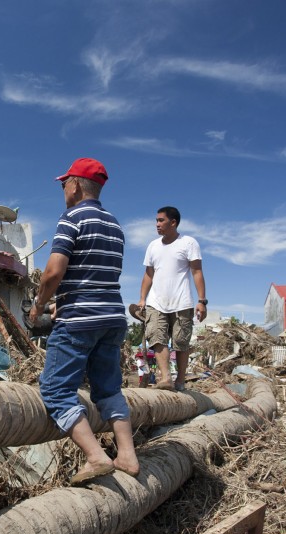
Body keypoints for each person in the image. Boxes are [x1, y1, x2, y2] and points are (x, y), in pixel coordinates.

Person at [29, 158, 140, 485]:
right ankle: (128, 456)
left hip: (79, 319)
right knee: (108, 388)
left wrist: (40, 303)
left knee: (54, 389)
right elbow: (95, 275)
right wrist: (64, 300)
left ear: (75, 185)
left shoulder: (72, 218)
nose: (63, 189)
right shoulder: (115, 224)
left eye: (65, 183)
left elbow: (53, 272)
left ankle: (95, 456)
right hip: (112, 317)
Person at [137, 206, 207, 391]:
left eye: (161, 220)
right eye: (157, 220)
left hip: (181, 302)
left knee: (181, 342)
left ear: (173, 222)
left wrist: (202, 300)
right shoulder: (153, 246)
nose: (157, 224)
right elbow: (148, 275)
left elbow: (196, 271)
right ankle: (166, 378)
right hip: (156, 302)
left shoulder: (188, 243)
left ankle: (180, 381)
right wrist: (142, 299)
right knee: (157, 337)